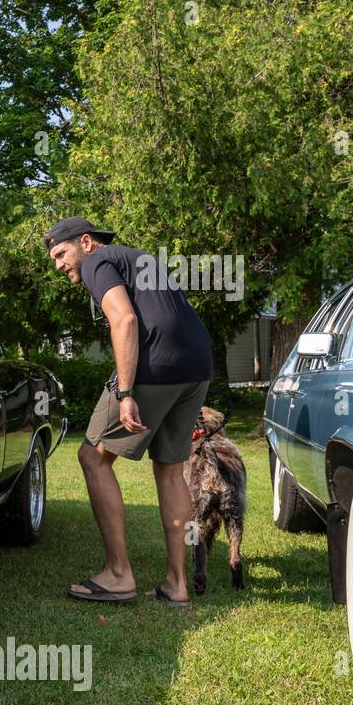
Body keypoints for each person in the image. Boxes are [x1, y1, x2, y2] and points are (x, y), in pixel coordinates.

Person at [44, 217, 214, 608]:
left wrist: (125, 392)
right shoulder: (140, 258)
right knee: (171, 470)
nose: (59, 265)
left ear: (85, 242)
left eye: (61, 253)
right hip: (197, 366)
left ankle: (119, 575)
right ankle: (176, 584)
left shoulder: (96, 263)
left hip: (156, 365)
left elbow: (125, 319)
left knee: (92, 456)